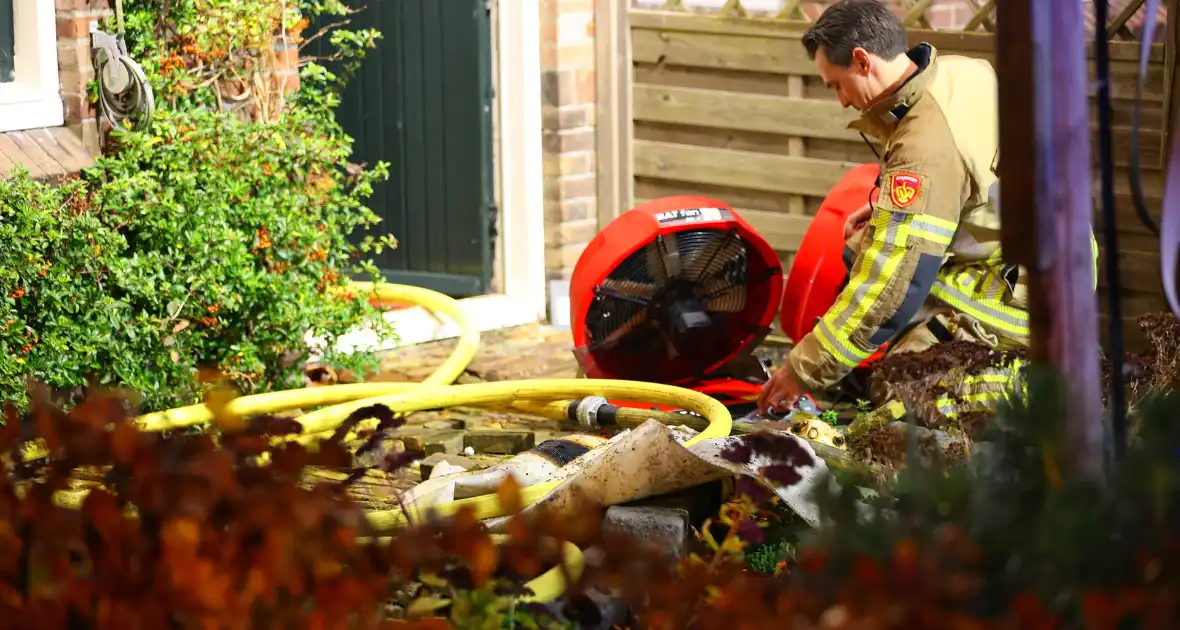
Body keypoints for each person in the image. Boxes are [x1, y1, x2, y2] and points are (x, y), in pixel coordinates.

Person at [756, 0, 1098, 420]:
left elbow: (893, 284)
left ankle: (1042, 388)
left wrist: (803, 371)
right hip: (1059, 259)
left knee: (900, 389)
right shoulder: (958, 72)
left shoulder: (924, 145)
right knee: (866, 244)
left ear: (863, 61)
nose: (842, 102)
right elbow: (973, 182)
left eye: (836, 85)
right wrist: (884, 215)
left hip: (1021, 294)